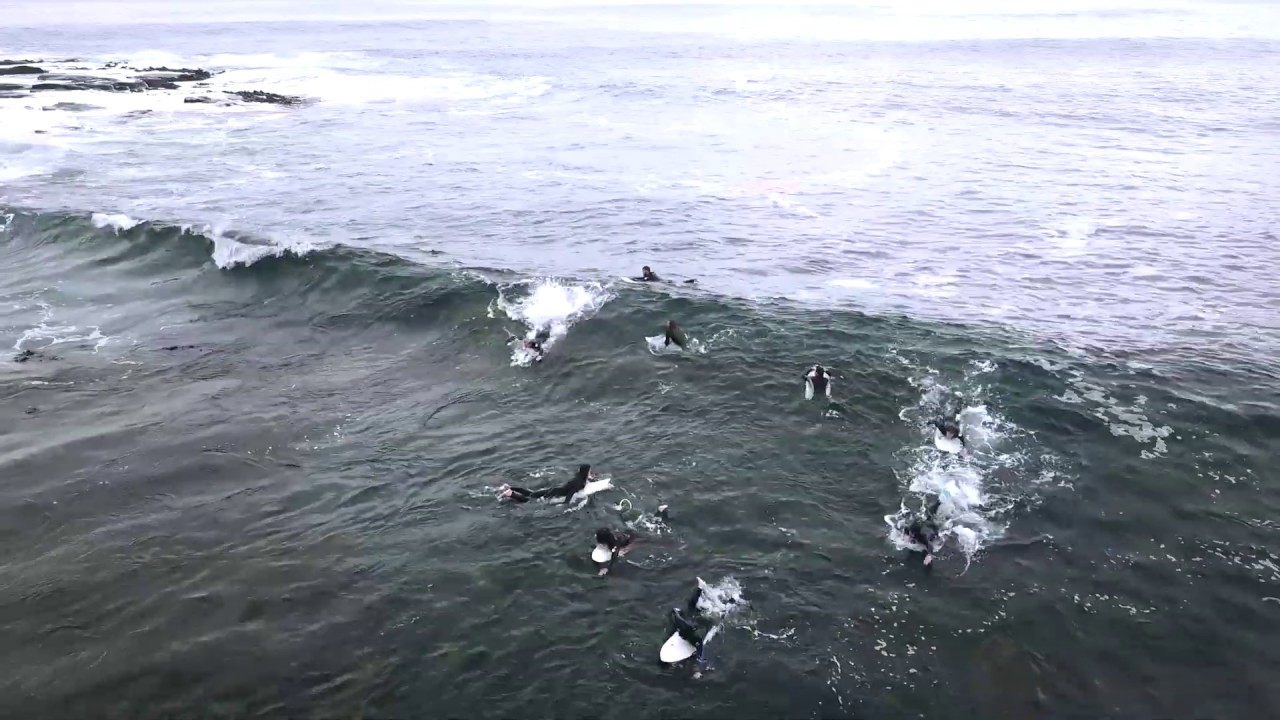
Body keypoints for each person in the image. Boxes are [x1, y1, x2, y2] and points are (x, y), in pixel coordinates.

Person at [666, 578, 714, 667]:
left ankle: (701, 587)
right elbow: (700, 649)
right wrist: (700, 659)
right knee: (691, 606)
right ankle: (701, 587)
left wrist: (700, 660)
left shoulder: (694, 636)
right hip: (687, 621)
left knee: (692, 607)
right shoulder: (682, 625)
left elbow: (700, 647)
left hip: (693, 621)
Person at [501, 464, 593, 504]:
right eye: (589, 471)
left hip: (554, 489)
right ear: (586, 472)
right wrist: (566, 504)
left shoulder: (578, 477)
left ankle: (510, 488)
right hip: (555, 494)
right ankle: (511, 494)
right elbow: (571, 493)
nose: (590, 472)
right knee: (529, 500)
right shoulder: (580, 483)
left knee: (531, 494)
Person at [902, 497, 943, 566]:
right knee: (929, 515)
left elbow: (930, 546)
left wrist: (929, 555)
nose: (911, 536)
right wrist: (905, 535)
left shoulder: (923, 537)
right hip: (924, 524)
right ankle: (939, 501)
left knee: (933, 517)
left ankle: (940, 501)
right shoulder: (911, 528)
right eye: (910, 534)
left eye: (912, 535)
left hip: (932, 527)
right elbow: (906, 528)